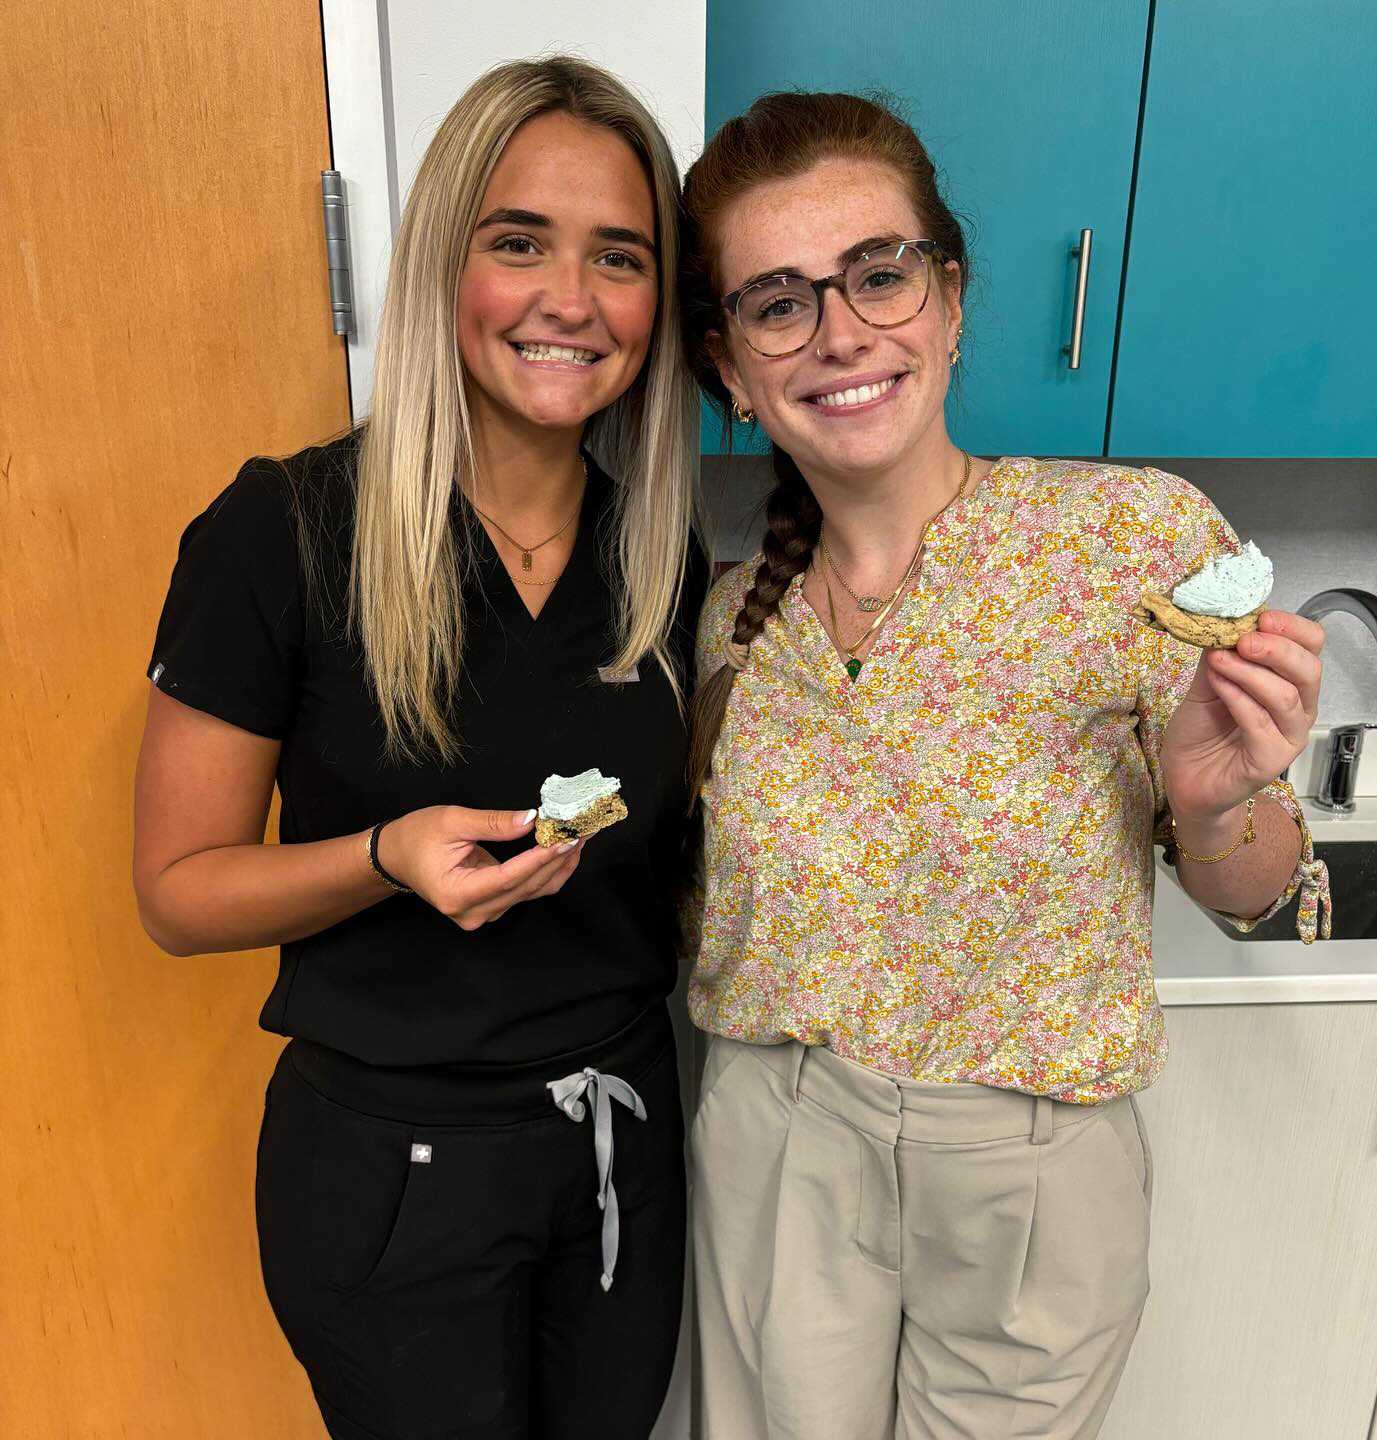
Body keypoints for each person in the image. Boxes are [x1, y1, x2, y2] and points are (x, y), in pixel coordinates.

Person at [678, 91, 1331, 1440]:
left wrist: (1214, 810)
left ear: (953, 300)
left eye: (879, 272)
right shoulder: (729, 616)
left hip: (1033, 1164)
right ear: (732, 367)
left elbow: (1271, 895)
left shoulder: (1129, 542)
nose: (842, 330)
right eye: (778, 302)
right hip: (778, 1138)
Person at [133, 56, 704, 1440]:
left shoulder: (662, 561)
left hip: (622, 1147)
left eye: (619, 258)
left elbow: (678, 880)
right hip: (393, 1172)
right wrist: (386, 857)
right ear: (447, 266)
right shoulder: (281, 536)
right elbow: (177, 893)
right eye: (521, 244)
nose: (571, 299)